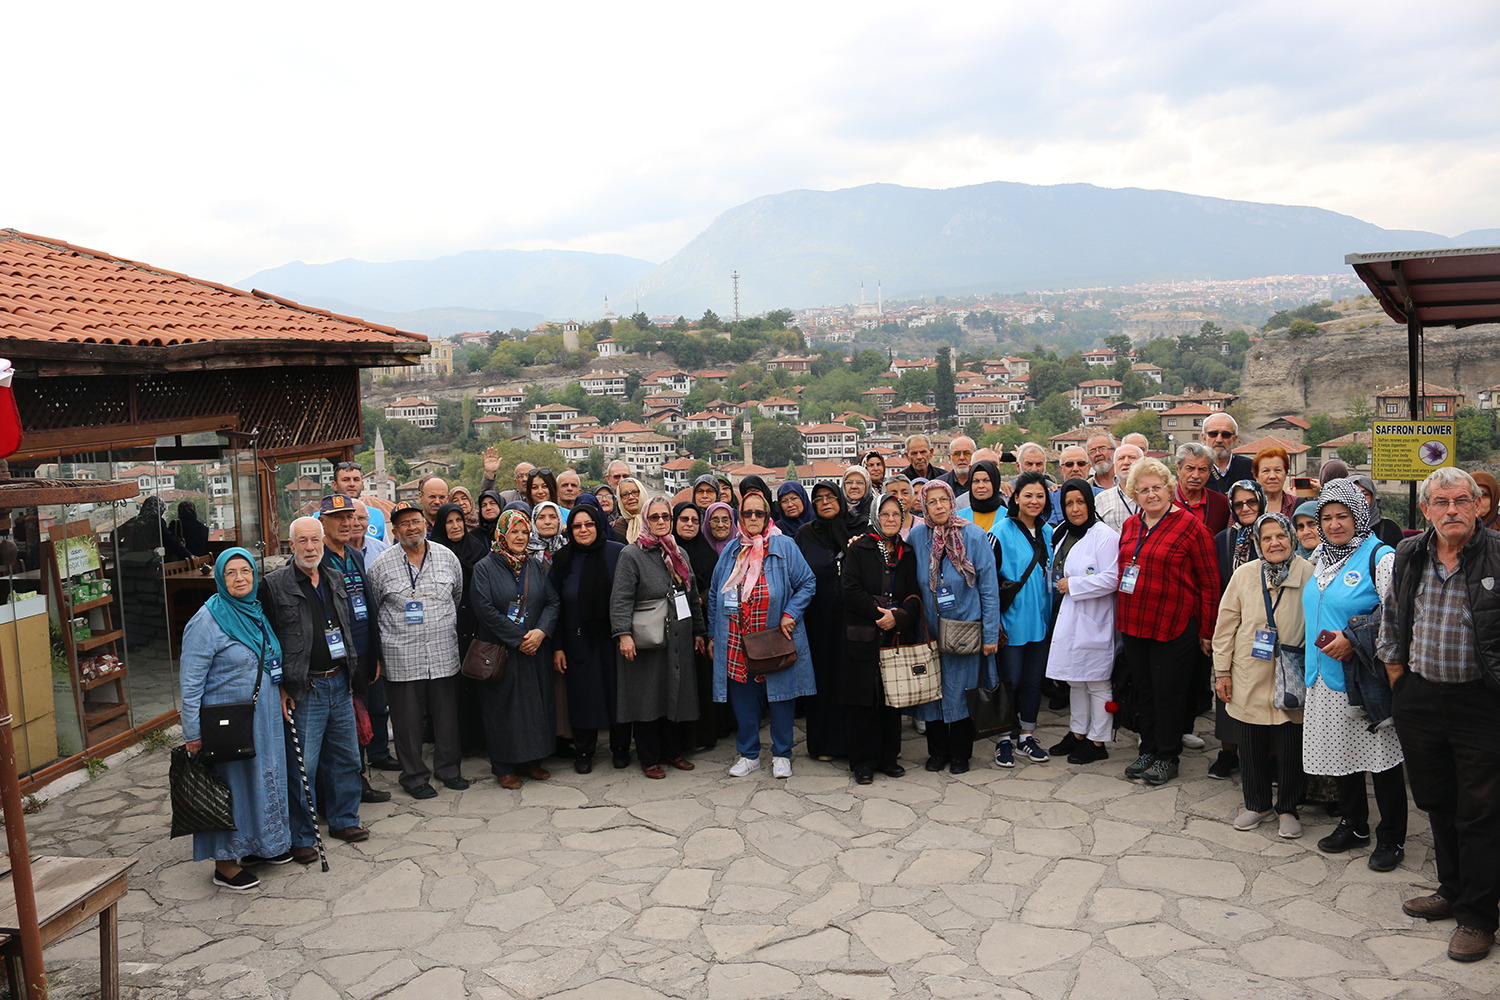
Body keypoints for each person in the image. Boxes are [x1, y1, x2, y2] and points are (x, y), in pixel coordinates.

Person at [1379, 467, 1500, 962]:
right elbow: (1392, 621)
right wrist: (1399, 683)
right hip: (1420, 698)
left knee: (1482, 811)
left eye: (1460, 501)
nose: (1451, 510)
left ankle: (1477, 916)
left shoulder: (1497, 554)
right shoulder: (1410, 554)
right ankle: (1451, 890)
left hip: (1481, 702)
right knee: (1437, 801)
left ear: (1477, 505)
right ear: (1425, 510)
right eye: (1441, 502)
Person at [1302, 481, 1405, 871]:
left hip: (1365, 677)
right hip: (1324, 675)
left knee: (1382, 758)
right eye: (1326, 517)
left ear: (1358, 515)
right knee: (1341, 752)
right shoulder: (1321, 558)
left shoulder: (1380, 556)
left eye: (1342, 515)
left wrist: (1352, 637)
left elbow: (1397, 614)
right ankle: (1354, 824)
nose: (1333, 524)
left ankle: (1392, 838)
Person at [179, 549, 291, 889]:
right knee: (229, 790)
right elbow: (190, 682)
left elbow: (269, 659)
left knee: (260, 781)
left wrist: (282, 690)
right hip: (226, 724)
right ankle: (224, 864)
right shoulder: (207, 621)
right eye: (231, 573)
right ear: (219, 579)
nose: (240, 578)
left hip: (263, 718)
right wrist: (192, 733)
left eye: (245, 571)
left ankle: (258, 845)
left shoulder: (254, 611)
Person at [263, 517, 368, 858]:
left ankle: (343, 819)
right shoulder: (274, 585)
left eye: (315, 540)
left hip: (339, 681)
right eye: (303, 541)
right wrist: (279, 686)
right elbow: (267, 641)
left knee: (346, 757)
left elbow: (347, 626)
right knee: (302, 765)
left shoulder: (335, 577)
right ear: (290, 545)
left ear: (323, 542)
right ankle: (303, 837)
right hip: (303, 688)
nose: (310, 547)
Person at [1116, 458, 1221, 786]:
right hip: (1135, 622)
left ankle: (1167, 755)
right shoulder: (1131, 526)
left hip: (1175, 625)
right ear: (1135, 494)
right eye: (1143, 490)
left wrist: (1207, 630)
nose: (1151, 494)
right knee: (1144, 690)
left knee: (1169, 692)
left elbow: (1210, 583)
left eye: (1156, 487)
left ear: (1169, 489)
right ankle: (1148, 748)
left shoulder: (1192, 527)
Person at [1212, 512, 1311, 840]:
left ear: (1292, 538)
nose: (1274, 543)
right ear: (1257, 542)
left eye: (1280, 536)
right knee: (1251, 742)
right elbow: (1226, 625)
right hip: (1248, 672)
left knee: (1290, 743)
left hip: (1292, 673)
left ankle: (1288, 807)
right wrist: (1221, 671)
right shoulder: (1244, 574)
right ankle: (1257, 804)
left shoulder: (1309, 574)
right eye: (1266, 538)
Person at [709, 490, 817, 779]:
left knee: (781, 697)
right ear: (740, 517)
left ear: (767, 516)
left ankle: (782, 754)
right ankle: (749, 754)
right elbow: (713, 593)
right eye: (747, 513)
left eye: (759, 513)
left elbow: (807, 583)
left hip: (774, 637)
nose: (753, 518)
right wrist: (712, 634)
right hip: (736, 639)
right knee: (743, 699)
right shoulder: (732, 550)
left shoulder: (785, 546)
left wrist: (790, 614)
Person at [365, 501, 467, 799]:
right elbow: (374, 609)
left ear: (426, 524)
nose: (412, 527)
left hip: (442, 652)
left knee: (446, 717)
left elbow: (457, 596)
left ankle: (449, 770)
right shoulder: (381, 564)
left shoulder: (447, 558)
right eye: (404, 524)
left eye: (416, 521)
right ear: (394, 531)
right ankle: (414, 777)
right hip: (401, 656)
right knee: (407, 722)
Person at [908, 480, 1001, 774]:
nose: (938, 506)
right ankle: (937, 752)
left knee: (962, 691)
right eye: (931, 501)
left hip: (965, 630)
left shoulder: (973, 535)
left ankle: (961, 753)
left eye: (943, 500)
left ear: (952, 502)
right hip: (930, 631)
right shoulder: (916, 537)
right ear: (924, 506)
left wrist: (990, 634)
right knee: (933, 692)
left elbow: (989, 588)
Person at [611, 496, 706, 778]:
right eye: (655, 517)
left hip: (678, 636)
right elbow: (620, 599)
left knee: (673, 693)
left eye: (666, 517)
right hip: (646, 638)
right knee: (647, 697)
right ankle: (649, 756)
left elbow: (690, 594)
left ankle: (672, 751)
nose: (662, 522)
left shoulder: (679, 553)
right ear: (645, 519)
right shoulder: (631, 554)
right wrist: (623, 635)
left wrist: (699, 631)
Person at [472, 510, 562, 788]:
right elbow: (484, 609)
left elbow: (552, 602)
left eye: (524, 532)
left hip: (534, 649)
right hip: (504, 651)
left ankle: (532, 761)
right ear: (502, 534)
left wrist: (541, 632)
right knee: (503, 708)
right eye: (514, 532)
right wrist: (520, 638)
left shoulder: (534, 566)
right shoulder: (484, 568)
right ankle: (504, 766)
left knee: (534, 706)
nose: (521, 537)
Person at [841, 492, 921, 783]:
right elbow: (849, 589)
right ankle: (862, 762)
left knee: (891, 699)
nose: (890, 519)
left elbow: (914, 595)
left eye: (896, 515)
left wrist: (897, 617)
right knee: (863, 700)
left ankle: (889, 757)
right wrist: (879, 612)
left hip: (894, 636)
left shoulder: (908, 553)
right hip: (862, 635)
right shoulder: (859, 548)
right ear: (875, 516)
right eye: (885, 514)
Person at [318, 495, 389, 804]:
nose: (347, 523)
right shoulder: (316, 559)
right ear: (323, 522)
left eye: (350, 517)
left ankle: (359, 778)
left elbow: (370, 607)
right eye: (338, 518)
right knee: (344, 728)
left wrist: (375, 654)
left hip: (362, 653)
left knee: (361, 720)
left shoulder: (355, 555)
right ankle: (349, 784)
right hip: (337, 658)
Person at [1044, 479, 1120, 765]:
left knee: (1097, 683)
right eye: (1068, 503)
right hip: (1071, 618)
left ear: (1090, 503)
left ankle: (1098, 740)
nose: (1075, 509)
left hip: (1095, 619)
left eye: (1080, 502)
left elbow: (1112, 578)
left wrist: (1073, 584)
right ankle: (1077, 732)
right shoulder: (1063, 534)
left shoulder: (1104, 535)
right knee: (1076, 681)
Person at [552, 503, 631, 772]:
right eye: (576, 525)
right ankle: (584, 751)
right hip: (577, 639)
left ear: (598, 525)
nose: (583, 530)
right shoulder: (562, 559)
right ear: (570, 530)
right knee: (583, 695)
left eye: (588, 524)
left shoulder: (617, 553)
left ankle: (620, 747)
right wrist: (559, 647)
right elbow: (556, 606)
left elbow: (628, 596)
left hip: (613, 637)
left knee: (617, 692)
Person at [991, 471, 1055, 767]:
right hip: (1011, 622)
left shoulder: (1047, 532)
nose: (1034, 501)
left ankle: (1026, 735)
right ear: (1015, 498)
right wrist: (993, 622)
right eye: (1028, 495)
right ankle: (1003, 737)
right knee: (1010, 681)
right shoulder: (1000, 531)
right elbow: (988, 581)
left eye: (1040, 496)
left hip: (1040, 622)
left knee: (1032, 682)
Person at [1208, 479, 1266, 779]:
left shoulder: (1274, 535)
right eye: (1239, 504)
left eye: (1251, 502)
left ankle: (1262, 756)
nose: (1245, 508)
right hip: (1231, 626)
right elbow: (1214, 584)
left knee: (1262, 692)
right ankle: (1229, 752)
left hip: (1266, 627)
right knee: (1226, 688)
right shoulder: (1224, 540)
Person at [796, 483, 858, 761]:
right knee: (822, 679)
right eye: (818, 499)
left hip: (854, 618)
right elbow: (796, 576)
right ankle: (825, 744)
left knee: (852, 678)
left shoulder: (859, 529)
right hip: (818, 620)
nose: (825, 502)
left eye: (830, 496)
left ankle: (855, 741)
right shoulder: (805, 534)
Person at [430, 500, 489, 756]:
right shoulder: (434, 554)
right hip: (446, 628)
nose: (455, 526)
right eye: (449, 522)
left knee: (477, 683)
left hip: (474, 625)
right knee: (451, 690)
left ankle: (480, 738)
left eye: (458, 520)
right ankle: (456, 742)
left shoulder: (476, 548)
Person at [673, 500, 722, 753]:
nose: (689, 524)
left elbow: (715, 590)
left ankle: (702, 735)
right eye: (684, 519)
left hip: (700, 626)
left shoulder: (708, 554)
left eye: (694, 520)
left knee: (701, 682)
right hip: (672, 630)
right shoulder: (666, 551)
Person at [1175, 442, 1230, 535]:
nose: (1196, 476)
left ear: (1209, 473)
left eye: (1202, 469)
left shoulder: (1220, 503)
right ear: (1178, 470)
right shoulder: (1164, 500)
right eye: (1190, 468)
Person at [335, 461, 387, 546]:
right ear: (334, 485)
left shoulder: (377, 515)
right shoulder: (320, 518)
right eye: (346, 480)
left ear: (362, 484)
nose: (352, 484)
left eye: (356, 480)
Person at [1095, 443, 1144, 533]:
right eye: (1121, 458)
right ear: (1114, 465)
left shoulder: (1152, 497)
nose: (1126, 462)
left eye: (1132, 457)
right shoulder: (1101, 500)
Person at [1015, 443, 1064, 527]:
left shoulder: (1054, 491)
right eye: (1029, 464)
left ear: (1045, 466)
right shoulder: (1007, 490)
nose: (1034, 469)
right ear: (1018, 466)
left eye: (1039, 464)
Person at [1350, 474, 1404, 549]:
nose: (1360, 498)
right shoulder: (1336, 528)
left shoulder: (1389, 528)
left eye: (1365, 494)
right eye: (1354, 494)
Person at [1202, 412, 1252, 493]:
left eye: (1226, 434)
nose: (1219, 440)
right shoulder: (1196, 470)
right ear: (1204, 438)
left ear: (1234, 439)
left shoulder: (1250, 468)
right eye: (1213, 434)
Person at [954, 461, 1005, 532]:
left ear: (995, 483)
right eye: (976, 481)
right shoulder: (958, 518)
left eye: (986, 480)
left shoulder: (1008, 517)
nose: (981, 486)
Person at [1252, 445, 1298, 518]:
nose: (1272, 476)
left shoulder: (1298, 505)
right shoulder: (1246, 507)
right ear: (1256, 476)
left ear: (1286, 474)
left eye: (1278, 470)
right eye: (1266, 471)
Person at [528, 500, 568, 567]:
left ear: (559, 521)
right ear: (534, 522)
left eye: (553, 517)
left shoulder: (567, 548)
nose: (547, 522)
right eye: (541, 517)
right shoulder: (524, 550)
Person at [618, 477, 646, 542]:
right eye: (625, 494)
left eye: (635, 492)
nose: (631, 497)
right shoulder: (615, 528)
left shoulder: (656, 521)